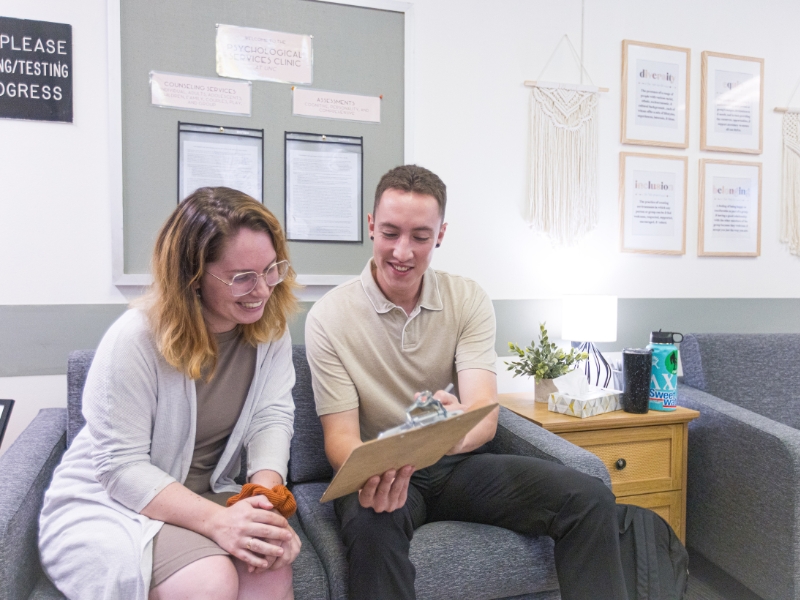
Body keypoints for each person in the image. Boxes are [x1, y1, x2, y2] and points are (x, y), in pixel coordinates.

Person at [305, 165, 628, 600]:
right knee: (372, 531)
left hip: (455, 465)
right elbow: (339, 438)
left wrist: (447, 433)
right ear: (370, 227)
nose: (402, 251)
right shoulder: (329, 316)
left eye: (420, 236)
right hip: (380, 471)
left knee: (589, 497)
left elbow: (483, 417)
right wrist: (379, 467)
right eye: (390, 233)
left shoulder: (467, 299)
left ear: (440, 234)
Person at [39, 187, 302, 600]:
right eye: (242, 278)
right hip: (117, 500)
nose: (263, 290)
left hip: (208, 491)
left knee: (268, 571)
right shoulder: (135, 338)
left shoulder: (270, 330)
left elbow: (272, 417)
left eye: (271, 270)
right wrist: (219, 523)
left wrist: (265, 503)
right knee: (210, 581)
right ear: (194, 277)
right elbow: (121, 468)